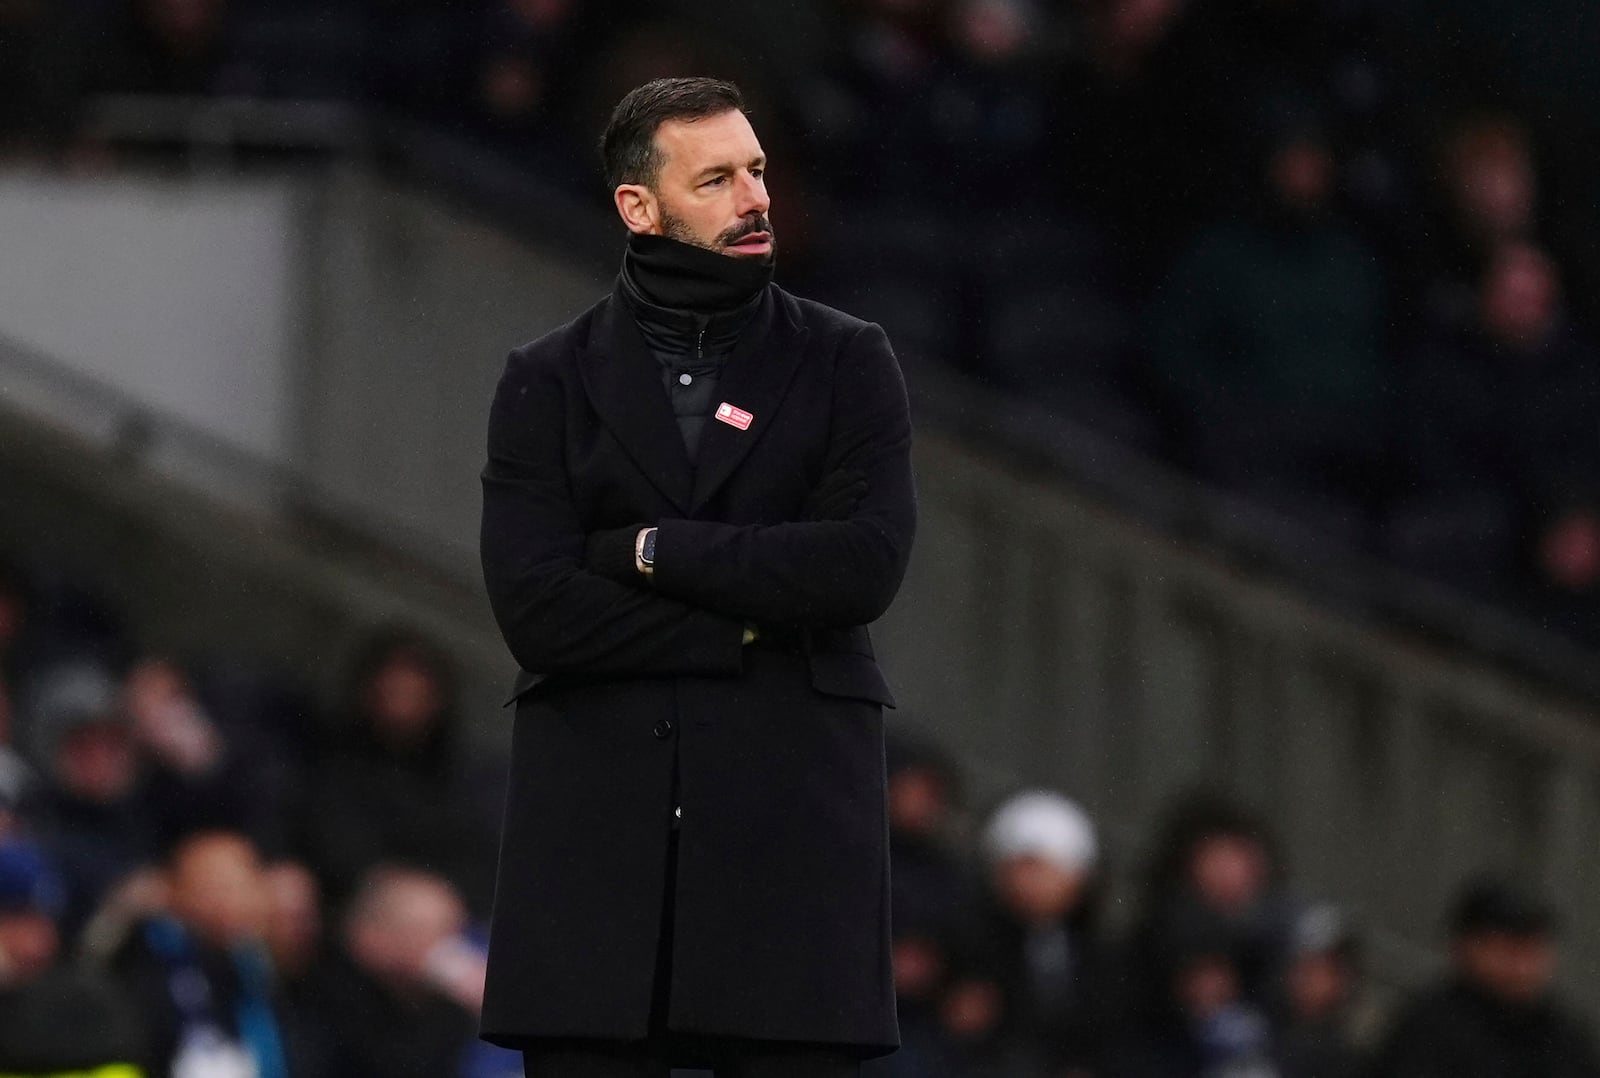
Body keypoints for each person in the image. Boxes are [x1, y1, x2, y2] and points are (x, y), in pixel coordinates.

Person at [478, 76, 917, 1076]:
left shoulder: (849, 360)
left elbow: (860, 566)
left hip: (790, 857)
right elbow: (539, 612)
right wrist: (754, 622)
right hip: (597, 868)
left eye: (757, 170)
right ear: (641, 206)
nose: (756, 197)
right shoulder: (544, 378)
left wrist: (646, 551)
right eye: (716, 178)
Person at [1369, 876, 1600, 1078]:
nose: (1523, 965)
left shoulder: (1563, 1034)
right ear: (1467, 947)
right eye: (1509, 948)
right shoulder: (1431, 1030)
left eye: (1534, 949)